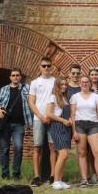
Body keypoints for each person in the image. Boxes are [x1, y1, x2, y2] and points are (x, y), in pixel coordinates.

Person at [70, 76, 98, 187]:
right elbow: (72, 115)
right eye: (82, 82)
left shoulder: (96, 97)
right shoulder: (75, 97)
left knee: (97, 152)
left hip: (93, 125)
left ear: (90, 84)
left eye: (87, 82)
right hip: (79, 125)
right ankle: (84, 179)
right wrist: (74, 131)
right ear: (80, 84)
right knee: (82, 153)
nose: (84, 84)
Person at [0, 68, 31, 181]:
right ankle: (5, 174)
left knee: (18, 147)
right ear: (10, 77)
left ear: (20, 77)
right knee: (4, 149)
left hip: (19, 124)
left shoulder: (26, 88)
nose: (15, 77)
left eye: (17, 75)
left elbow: (32, 99)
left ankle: (16, 174)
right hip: (5, 124)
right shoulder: (4, 89)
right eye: (13, 75)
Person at [27, 57, 57, 187]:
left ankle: (53, 175)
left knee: (53, 147)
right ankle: (36, 176)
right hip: (38, 118)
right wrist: (41, 116)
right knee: (37, 147)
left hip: (53, 118)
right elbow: (31, 102)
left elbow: (58, 100)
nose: (46, 68)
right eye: (44, 66)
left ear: (51, 67)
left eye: (48, 66)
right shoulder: (34, 82)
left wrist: (51, 116)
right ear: (39, 67)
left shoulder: (55, 81)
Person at [47, 78, 73, 190]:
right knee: (63, 154)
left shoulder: (65, 97)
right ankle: (56, 181)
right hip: (57, 126)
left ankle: (60, 180)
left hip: (66, 127)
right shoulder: (52, 97)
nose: (64, 86)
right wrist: (63, 120)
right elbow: (49, 114)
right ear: (57, 85)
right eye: (61, 84)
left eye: (65, 84)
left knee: (65, 155)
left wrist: (70, 120)